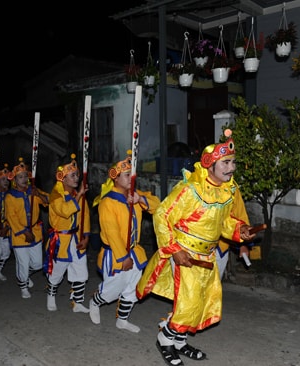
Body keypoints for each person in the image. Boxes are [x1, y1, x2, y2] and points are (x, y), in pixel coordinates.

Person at [136, 132, 255, 365]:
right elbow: (161, 215)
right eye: (226, 162)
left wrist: (240, 232)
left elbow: (224, 223)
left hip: (207, 256)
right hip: (185, 254)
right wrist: (173, 249)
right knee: (188, 302)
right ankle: (165, 338)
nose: (232, 168)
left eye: (233, 162)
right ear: (210, 165)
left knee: (200, 302)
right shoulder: (190, 190)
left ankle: (179, 343)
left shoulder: (226, 191)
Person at [87, 151, 160, 333]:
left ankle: (122, 319)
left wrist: (140, 199)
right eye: (127, 175)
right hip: (115, 255)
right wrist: (123, 257)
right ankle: (95, 301)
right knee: (112, 291)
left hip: (134, 252)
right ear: (115, 177)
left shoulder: (134, 195)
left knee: (134, 289)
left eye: (133, 174)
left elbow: (159, 206)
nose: (132, 178)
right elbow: (112, 234)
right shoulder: (108, 203)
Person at [44, 154, 91, 313]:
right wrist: (79, 195)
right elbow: (65, 211)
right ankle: (51, 295)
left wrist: (86, 236)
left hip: (76, 238)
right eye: (72, 175)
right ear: (62, 177)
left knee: (81, 272)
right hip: (60, 240)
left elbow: (85, 216)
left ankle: (77, 302)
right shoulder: (55, 196)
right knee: (57, 271)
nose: (76, 178)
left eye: (77, 174)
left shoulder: (77, 195)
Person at [5, 157, 49, 299]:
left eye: (25, 176)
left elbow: (48, 201)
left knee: (37, 264)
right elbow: (11, 217)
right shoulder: (10, 197)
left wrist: (39, 195)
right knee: (23, 262)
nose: (23, 179)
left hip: (35, 230)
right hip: (20, 234)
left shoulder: (33, 191)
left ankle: (24, 275)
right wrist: (24, 231)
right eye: (20, 177)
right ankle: (23, 285)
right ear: (14, 180)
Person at [216, 187, 251, 280]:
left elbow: (240, 216)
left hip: (220, 249)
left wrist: (243, 244)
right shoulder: (195, 184)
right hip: (194, 249)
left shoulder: (232, 188)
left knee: (213, 290)